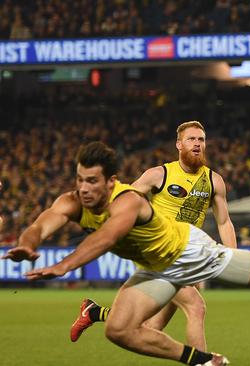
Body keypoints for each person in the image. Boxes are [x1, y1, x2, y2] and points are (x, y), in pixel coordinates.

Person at [3, 141, 250, 366]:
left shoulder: (127, 201)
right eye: (80, 179)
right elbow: (42, 222)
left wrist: (64, 265)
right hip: (155, 268)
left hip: (188, 252)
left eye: (92, 181)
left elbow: (104, 240)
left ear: (111, 181)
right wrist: (29, 243)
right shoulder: (71, 200)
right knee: (119, 330)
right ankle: (204, 361)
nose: (83, 189)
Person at [70, 121, 237, 353]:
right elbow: (124, 200)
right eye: (191, 139)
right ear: (179, 144)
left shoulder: (214, 180)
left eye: (201, 139)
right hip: (160, 252)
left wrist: (232, 257)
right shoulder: (160, 174)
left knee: (149, 326)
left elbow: (224, 222)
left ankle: (95, 312)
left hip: (188, 254)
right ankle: (204, 361)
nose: (197, 144)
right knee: (196, 307)